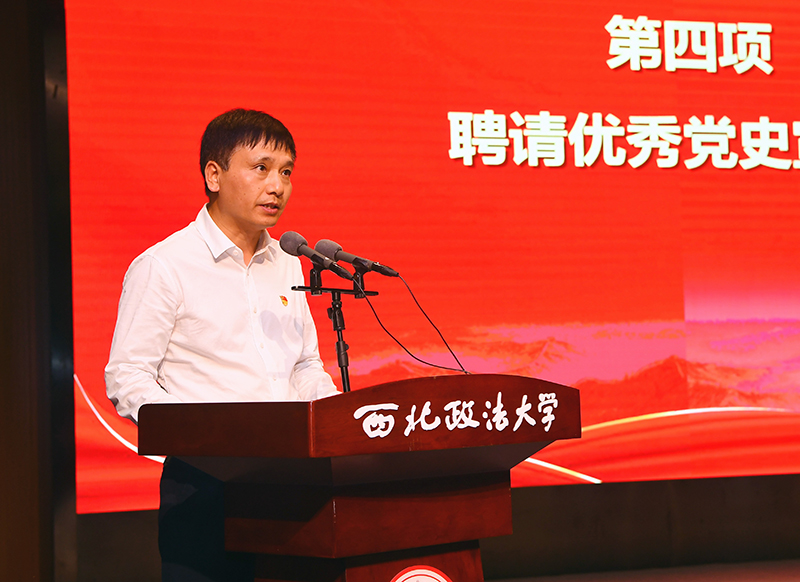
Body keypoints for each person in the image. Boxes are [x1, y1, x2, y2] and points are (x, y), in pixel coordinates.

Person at [105, 108, 339, 581]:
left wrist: (335, 421)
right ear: (214, 175)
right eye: (261, 168)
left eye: (286, 172)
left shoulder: (289, 262)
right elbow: (127, 377)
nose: (277, 186)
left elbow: (304, 365)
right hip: (204, 486)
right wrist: (206, 437)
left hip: (292, 482)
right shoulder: (164, 265)